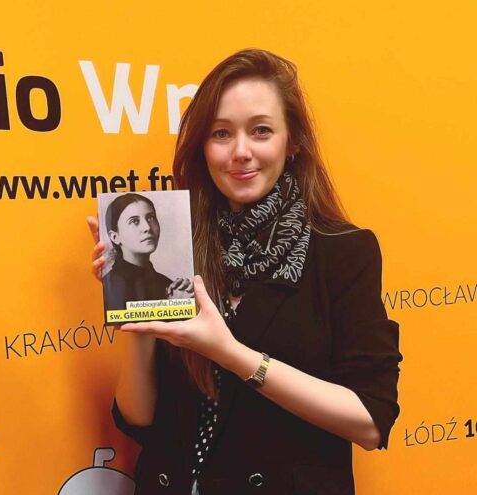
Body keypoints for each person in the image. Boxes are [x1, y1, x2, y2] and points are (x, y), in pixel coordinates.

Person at [85, 48, 402, 495]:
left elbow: (371, 421)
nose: (240, 152)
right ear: (202, 146)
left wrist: (232, 355)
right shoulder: (177, 246)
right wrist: (137, 321)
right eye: (221, 133)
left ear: (292, 141)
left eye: (261, 131)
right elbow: (139, 420)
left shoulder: (343, 251)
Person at [102, 193, 193, 312]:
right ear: (115, 237)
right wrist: (172, 308)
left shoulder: (168, 286)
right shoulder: (107, 288)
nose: (147, 227)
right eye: (134, 221)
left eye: (150, 218)